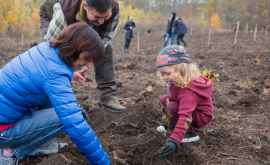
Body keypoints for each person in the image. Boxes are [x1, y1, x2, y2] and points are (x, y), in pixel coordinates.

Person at [0, 23, 110, 165]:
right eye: (87, 59)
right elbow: (76, 125)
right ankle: (11, 153)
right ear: (77, 49)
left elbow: (42, 74)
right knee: (69, 116)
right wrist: (104, 162)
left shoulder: (47, 49)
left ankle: (33, 143)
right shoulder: (55, 75)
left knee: (54, 103)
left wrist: (71, 74)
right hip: (3, 131)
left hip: (7, 114)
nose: (87, 65)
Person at [40, 0, 127, 112]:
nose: (101, 21)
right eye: (97, 16)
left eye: (105, 17)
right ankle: (54, 98)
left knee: (104, 48)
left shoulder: (114, 7)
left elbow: (105, 38)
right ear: (85, 6)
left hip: (82, 19)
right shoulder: (64, 11)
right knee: (62, 53)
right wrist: (72, 69)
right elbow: (51, 48)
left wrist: (87, 60)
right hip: (52, 14)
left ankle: (108, 96)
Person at [156, 45, 214, 158]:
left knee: (172, 106)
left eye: (167, 73)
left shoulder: (188, 91)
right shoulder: (177, 80)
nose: (164, 77)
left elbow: (186, 116)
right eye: (161, 73)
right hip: (190, 109)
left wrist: (174, 140)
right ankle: (172, 125)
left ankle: (189, 133)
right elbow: (172, 98)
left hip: (200, 116)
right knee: (165, 99)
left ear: (181, 69)